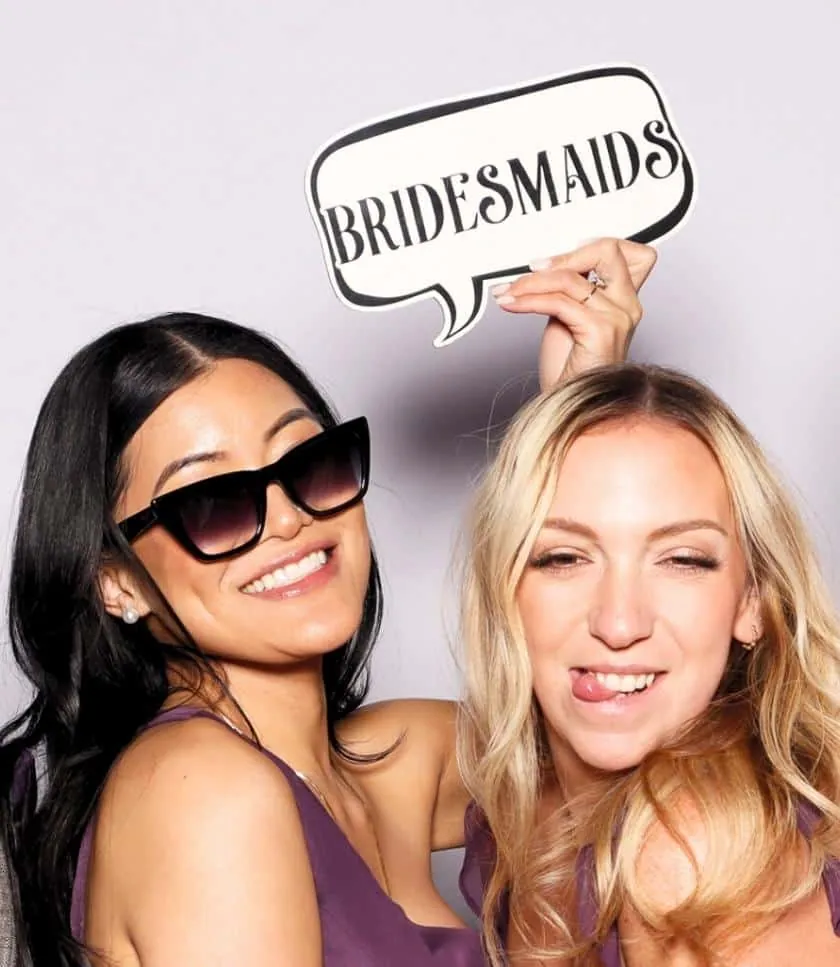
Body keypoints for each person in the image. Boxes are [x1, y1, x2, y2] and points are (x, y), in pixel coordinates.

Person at [0, 240, 656, 967]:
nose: (289, 519)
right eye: (213, 502)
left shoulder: (391, 763)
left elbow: (618, 720)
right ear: (116, 582)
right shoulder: (203, 793)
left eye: (311, 464)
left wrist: (582, 402)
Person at [458, 364, 840, 966]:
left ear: (751, 603)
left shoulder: (687, 852)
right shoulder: (527, 800)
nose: (619, 623)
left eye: (682, 559)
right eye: (563, 557)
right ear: (505, 592)